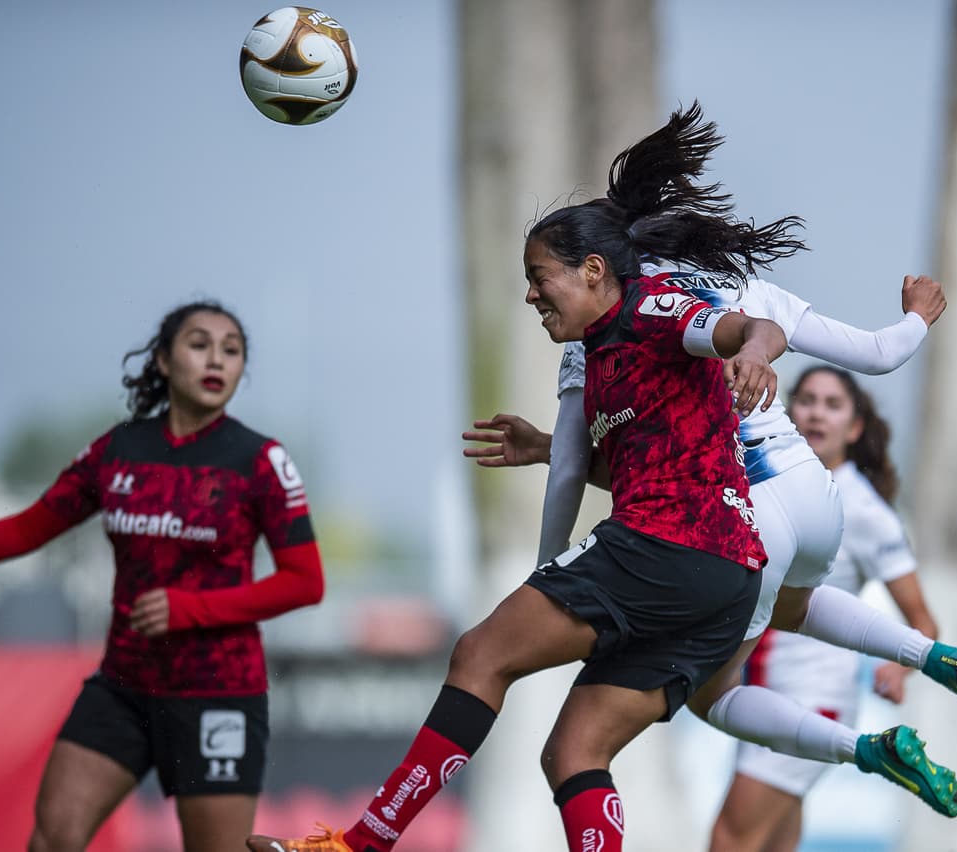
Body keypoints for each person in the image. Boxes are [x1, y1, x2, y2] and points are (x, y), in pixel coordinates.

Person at [246, 102, 807, 852]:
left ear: (594, 271)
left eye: (540, 278)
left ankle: (361, 845)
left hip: (668, 549)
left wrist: (758, 350)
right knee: (572, 753)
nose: (531, 294)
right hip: (720, 578)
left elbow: (749, 328)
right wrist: (549, 447)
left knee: (481, 654)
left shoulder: (655, 309)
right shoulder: (605, 350)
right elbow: (652, 465)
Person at [461, 219, 957, 825]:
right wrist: (917, 316)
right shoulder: (747, 288)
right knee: (796, 607)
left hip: (741, 514)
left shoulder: (608, 322)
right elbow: (881, 355)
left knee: (712, 697)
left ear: (608, 262)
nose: (539, 295)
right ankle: (936, 657)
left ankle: (865, 751)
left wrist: (548, 576)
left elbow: (577, 466)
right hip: (812, 494)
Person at [0, 301, 326, 852]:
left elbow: (305, 581)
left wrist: (191, 609)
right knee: (51, 840)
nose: (216, 359)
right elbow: (31, 527)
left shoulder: (259, 460)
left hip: (217, 695)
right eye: (199, 344)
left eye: (232, 350)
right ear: (165, 362)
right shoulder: (119, 450)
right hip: (124, 688)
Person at [710, 366, 940, 851]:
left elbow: (923, 620)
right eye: (808, 400)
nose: (817, 413)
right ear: (788, 412)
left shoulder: (863, 509)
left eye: (833, 405)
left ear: (854, 429)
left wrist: (897, 670)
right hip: (759, 696)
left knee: (729, 841)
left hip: (810, 698)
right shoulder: (766, 479)